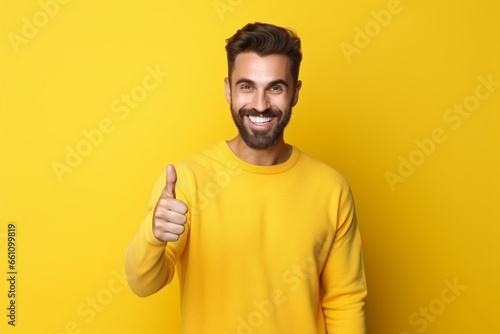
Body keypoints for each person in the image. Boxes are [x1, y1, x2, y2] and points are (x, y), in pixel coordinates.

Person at [125, 22, 367, 333]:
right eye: (247, 86)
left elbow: (345, 301)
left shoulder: (331, 189)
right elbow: (142, 284)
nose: (260, 104)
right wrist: (153, 235)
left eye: (275, 87)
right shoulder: (185, 181)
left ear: (295, 92)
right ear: (228, 89)